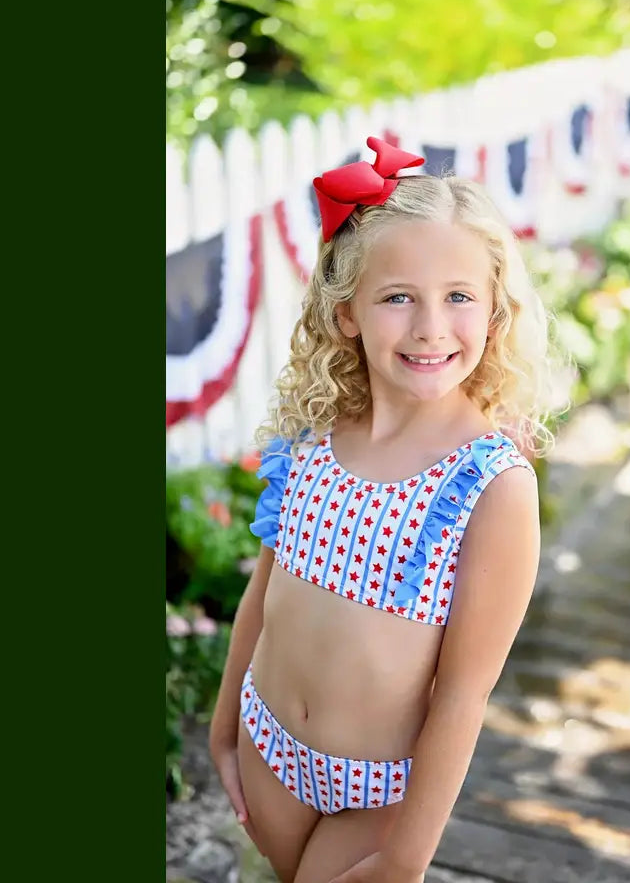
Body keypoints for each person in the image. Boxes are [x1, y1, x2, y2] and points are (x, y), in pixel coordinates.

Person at [209, 136, 563, 883]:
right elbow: (265, 592)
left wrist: (405, 859)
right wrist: (224, 728)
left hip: (376, 800)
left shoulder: (491, 486)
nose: (431, 327)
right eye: (399, 297)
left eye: (459, 297)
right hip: (267, 744)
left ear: (496, 313)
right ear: (347, 315)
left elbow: (464, 694)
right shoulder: (314, 434)